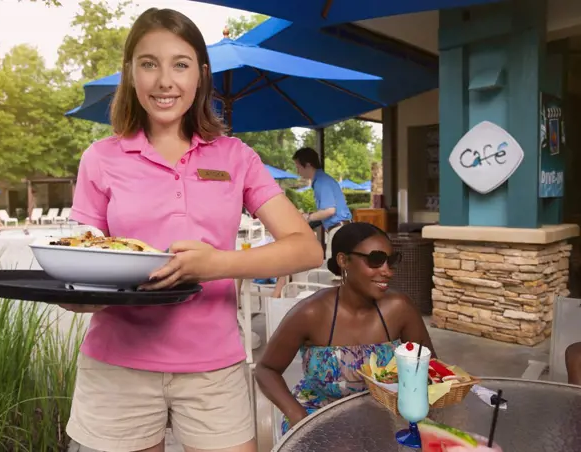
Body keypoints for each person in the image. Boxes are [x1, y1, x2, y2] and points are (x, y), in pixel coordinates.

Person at [59, 8, 323, 452]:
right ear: (131, 73)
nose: (165, 80)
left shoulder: (235, 157)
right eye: (149, 63)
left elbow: (305, 249)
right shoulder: (100, 158)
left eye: (180, 64)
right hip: (117, 367)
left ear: (200, 75)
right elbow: (82, 257)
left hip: (212, 370)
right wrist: (79, 295)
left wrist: (217, 264)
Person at [254, 222, 436, 435]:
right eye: (375, 260)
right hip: (319, 418)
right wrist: (298, 417)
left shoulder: (399, 309)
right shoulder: (311, 313)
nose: (386, 271)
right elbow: (266, 370)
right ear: (343, 261)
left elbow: (429, 365)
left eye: (391, 261)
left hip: (381, 418)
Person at [293, 147, 352, 260]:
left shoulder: (321, 182)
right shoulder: (323, 180)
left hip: (338, 231)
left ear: (308, 165)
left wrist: (308, 217)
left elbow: (329, 210)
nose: (297, 172)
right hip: (342, 228)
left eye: (298, 167)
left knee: (335, 272)